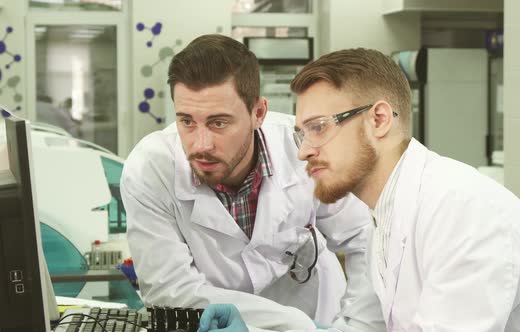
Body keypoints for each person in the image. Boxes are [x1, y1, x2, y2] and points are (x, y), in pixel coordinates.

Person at [202, 47, 520, 331]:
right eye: (301, 133)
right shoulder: (387, 215)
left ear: (379, 119)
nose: (303, 151)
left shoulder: (459, 208)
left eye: (319, 128)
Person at [121, 35, 384, 331]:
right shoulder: (151, 168)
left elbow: (365, 235)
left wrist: (357, 324)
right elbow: (170, 291)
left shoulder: (304, 148)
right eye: (187, 121)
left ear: (258, 113)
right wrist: (291, 323)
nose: (201, 144)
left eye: (219, 123)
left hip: (321, 315)